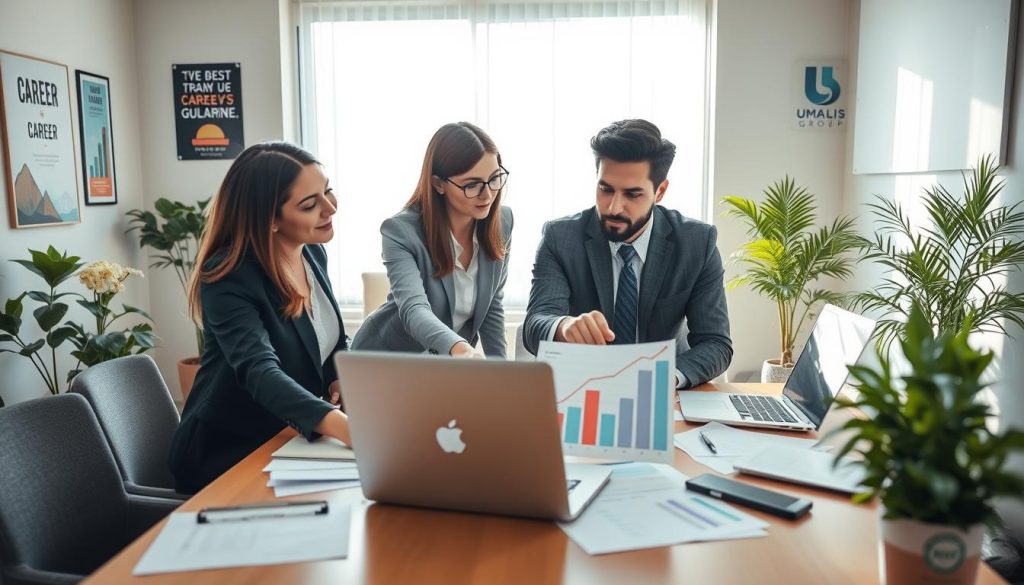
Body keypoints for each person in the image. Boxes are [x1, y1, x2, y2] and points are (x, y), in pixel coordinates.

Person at [168, 141, 351, 494]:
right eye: (311, 204)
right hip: (229, 450)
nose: (330, 207)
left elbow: (327, 341)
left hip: (285, 440)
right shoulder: (228, 278)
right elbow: (260, 372)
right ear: (270, 220)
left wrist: (340, 379)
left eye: (327, 190)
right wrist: (346, 428)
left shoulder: (312, 252)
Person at [523, 119, 732, 387]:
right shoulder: (561, 238)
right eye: (605, 189)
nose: (614, 208)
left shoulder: (696, 243)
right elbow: (535, 325)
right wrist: (563, 326)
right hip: (583, 389)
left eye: (632, 194)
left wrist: (664, 378)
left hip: (662, 391)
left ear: (660, 191)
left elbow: (716, 343)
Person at [351, 122, 513, 358]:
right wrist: (460, 349)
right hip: (387, 359)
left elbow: (491, 307)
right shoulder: (400, 231)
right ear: (438, 183)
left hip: (446, 363)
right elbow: (414, 309)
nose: (488, 194)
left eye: (495, 178)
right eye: (472, 185)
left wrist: (503, 374)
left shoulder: (503, 222)